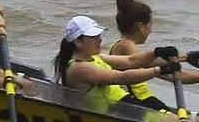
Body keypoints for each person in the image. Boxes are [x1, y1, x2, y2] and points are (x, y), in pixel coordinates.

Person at [109, 0, 199, 112]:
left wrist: (185, 58)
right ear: (141, 26)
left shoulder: (120, 46)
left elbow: (158, 66)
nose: (151, 30)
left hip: (142, 101)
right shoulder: (126, 46)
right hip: (138, 103)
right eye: (150, 25)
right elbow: (173, 74)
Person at [54, 15, 183, 114]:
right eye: (94, 37)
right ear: (78, 41)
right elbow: (122, 77)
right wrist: (158, 70)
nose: (100, 40)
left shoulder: (95, 58)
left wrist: (157, 52)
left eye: (99, 35)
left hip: (126, 107)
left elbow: (131, 61)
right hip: (113, 116)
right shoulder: (79, 68)